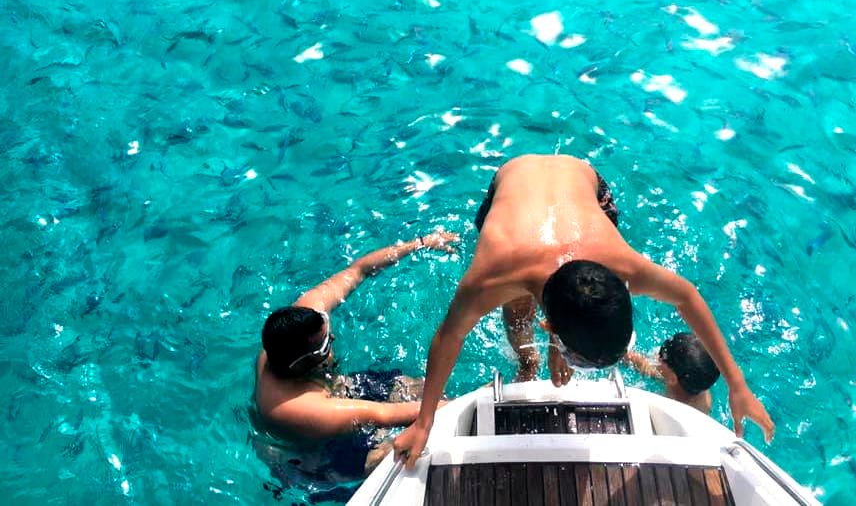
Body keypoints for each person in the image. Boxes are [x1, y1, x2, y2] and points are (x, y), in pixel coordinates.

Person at [394, 154, 774, 468]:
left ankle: (548, 350)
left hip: (582, 179)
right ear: (550, 326)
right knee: (516, 308)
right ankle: (528, 364)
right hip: (513, 180)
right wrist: (424, 422)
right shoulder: (492, 277)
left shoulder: (624, 265)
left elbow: (687, 297)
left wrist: (737, 385)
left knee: (555, 304)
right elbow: (449, 336)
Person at [253, 229, 459, 479]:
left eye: (328, 332)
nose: (333, 340)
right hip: (320, 455)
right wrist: (476, 399)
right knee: (393, 454)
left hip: (335, 392)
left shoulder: (295, 329)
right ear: (303, 364)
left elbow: (358, 270)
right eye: (325, 345)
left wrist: (421, 242)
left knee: (414, 388)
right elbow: (389, 414)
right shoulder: (299, 408)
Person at [623, 332, 719, 414]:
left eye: (661, 358)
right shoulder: (696, 381)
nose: (657, 358)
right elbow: (645, 366)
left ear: (672, 379)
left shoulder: (672, 409)